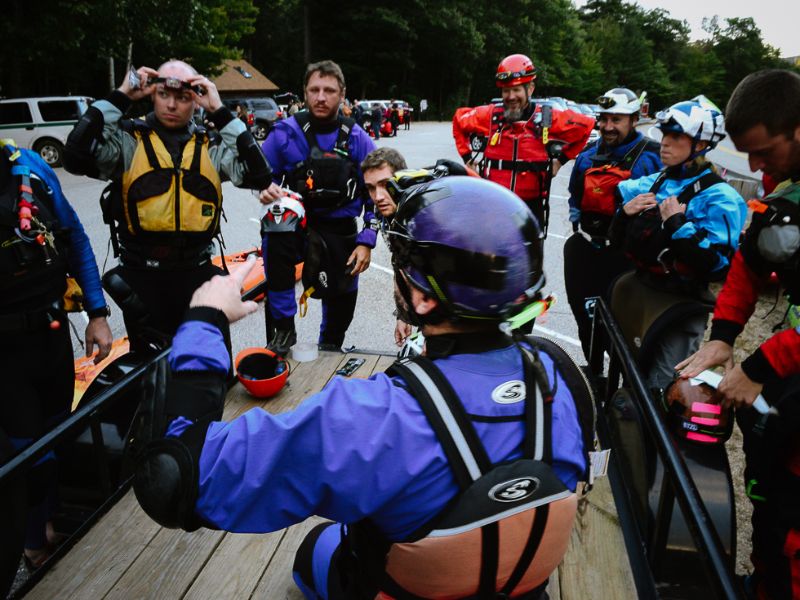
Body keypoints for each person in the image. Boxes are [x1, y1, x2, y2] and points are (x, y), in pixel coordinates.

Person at [132, 176, 592, 600]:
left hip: (404, 589)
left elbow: (173, 480)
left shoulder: (372, 415)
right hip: (520, 585)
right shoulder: (561, 374)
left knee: (316, 546)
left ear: (423, 297)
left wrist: (205, 319)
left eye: (403, 265)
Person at [677, 69, 800, 600]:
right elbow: (750, 263)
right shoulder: (786, 186)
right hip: (792, 365)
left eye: (763, 153)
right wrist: (723, 335)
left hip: (788, 361)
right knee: (769, 477)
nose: (753, 167)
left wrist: (757, 368)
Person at [63, 60, 275, 351]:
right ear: (152, 94)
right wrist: (121, 96)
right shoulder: (129, 142)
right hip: (143, 278)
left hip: (197, 274)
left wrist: (220, 112)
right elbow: (74, 157)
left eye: (183, 97)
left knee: (210, 363)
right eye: (164, 95)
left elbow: (261, 176)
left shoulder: (209, 145)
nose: (172, 105)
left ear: (196, 100)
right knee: (153, 370)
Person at [0, 140, 112, 593]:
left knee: (57, 437)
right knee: (29, 456)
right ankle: (31, 543)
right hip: (5, 353)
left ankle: (46, 525)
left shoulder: (29, 166)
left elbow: (76, 237)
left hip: (50, 335)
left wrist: (98, 313)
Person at [608, 95, 746, 391]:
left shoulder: (722, 198)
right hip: (641, 293)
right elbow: (616, 234)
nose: (664, 143)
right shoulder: (658, 180)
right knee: (628, 374)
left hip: (679, 306)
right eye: (664, 135)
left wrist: (678, 225)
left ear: (700, 144)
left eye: (675, 137)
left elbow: (718, 266)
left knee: (662, 387)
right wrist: (623, 213)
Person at [259, 60, 377, 354]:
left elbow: (378, 194)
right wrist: (264, 188)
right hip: (298, 228)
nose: (321, 97)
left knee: (341, 311)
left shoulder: (358, 139)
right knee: (276, 223)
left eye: (329, 90)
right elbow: (259, 175)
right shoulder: (284, 133)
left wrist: (367, 240)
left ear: (342, 94)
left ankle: (330, 345)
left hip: (341, 230)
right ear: (304, 92)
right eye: (314, 90)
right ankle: (283, 328)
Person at [564, 88, 662, 360]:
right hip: (587, 248)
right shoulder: (587, 155)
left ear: (634, 120)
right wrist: (577, 220)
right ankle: (593, 372)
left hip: (626, 256)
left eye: (616, 120)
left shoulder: (652, 157)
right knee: (585, 319)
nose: (608, 127)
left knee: (623, 328)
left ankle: (623, 379)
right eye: (604, 119)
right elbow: (574, 195)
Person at [452, 53, 595, 231]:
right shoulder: (490, 115)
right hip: (493, 206)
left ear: (530, 88)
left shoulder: (548, 118)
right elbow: (459, 120)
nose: (511, 96)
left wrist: (560, 161)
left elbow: (586, 127)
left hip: (531, 209)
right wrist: (467, 159)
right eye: (506, 90)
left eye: (517, 89)